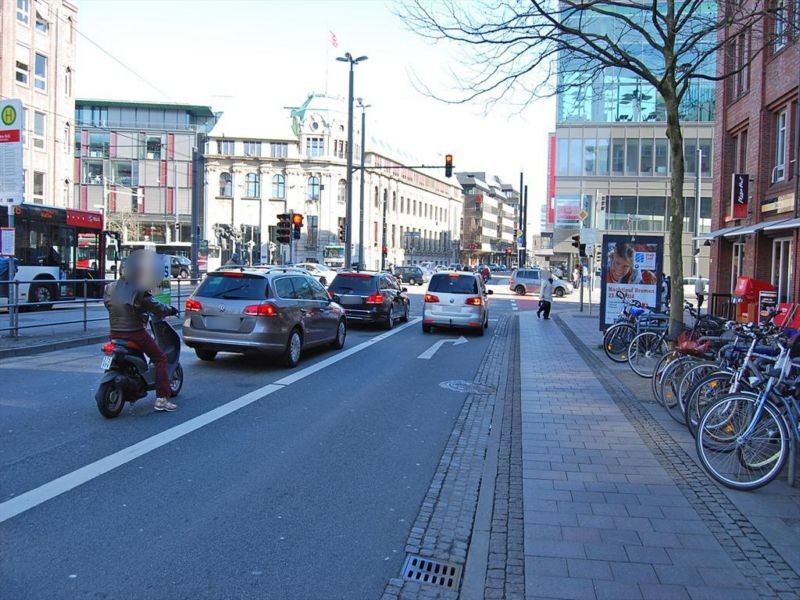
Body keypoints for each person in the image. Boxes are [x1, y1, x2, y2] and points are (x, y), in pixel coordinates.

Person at [104, 250, 179, 412]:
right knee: (160, 359)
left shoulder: (109, 288)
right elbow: (156, 306)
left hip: (114, 333)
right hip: (135, 333)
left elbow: (108, 305)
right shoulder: (138, 290)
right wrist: (170, 310)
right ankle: (161, 400)